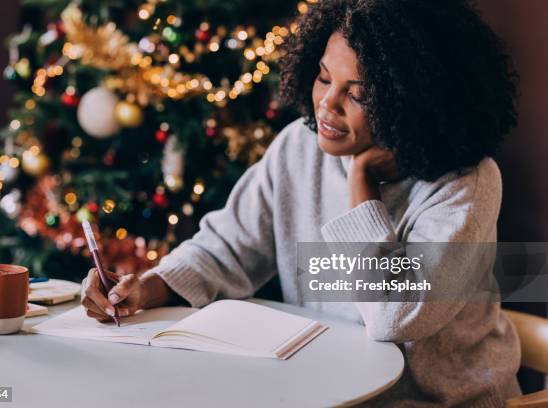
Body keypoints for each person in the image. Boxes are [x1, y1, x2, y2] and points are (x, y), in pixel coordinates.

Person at [82, 0, 521, 405]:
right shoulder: (298, 146)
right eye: (325, 77)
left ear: (414, 100)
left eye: (358, 94)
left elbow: (395, 314)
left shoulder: (466, 184)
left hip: (442, 402)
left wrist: (360, 184)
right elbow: (226, 250)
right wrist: (146, 287)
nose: (327, 105)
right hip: (335, 393)